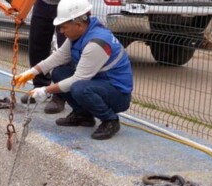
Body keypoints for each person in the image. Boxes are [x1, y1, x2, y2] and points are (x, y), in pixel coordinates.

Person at [13, 0, 133, 140]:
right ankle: (83, 115)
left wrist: (45, 90)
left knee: (79, 88)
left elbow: (78, 79)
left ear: (78, 25)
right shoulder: (80, 33)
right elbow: (58, 57)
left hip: (117, 94)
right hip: (99, 83)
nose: (61, 31)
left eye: (64, 27)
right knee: (59, 73)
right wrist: (32, 72)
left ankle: (110, 120)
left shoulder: (96, 43)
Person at [19, 0, 66, 114]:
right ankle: (40, 87)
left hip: (66, 3)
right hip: (42, 2)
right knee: (37, 43)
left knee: (65, 47)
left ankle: (60, 96)